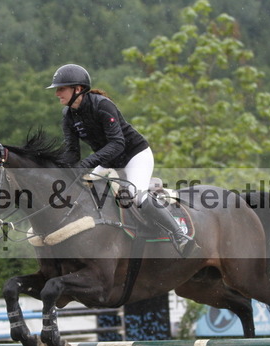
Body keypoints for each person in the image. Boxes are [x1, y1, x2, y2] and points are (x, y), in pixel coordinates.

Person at [47, 63, 192, 254]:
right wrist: (58, 167)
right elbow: (72, 152)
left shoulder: (102, 105)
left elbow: (117, 143)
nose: (57, 93)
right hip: (108, 161)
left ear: (78, 89)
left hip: (135, 155)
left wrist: (88, 163)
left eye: (61, 88)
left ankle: (179, 234)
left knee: (137, 195)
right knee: (84, 192)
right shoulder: (68, 115)